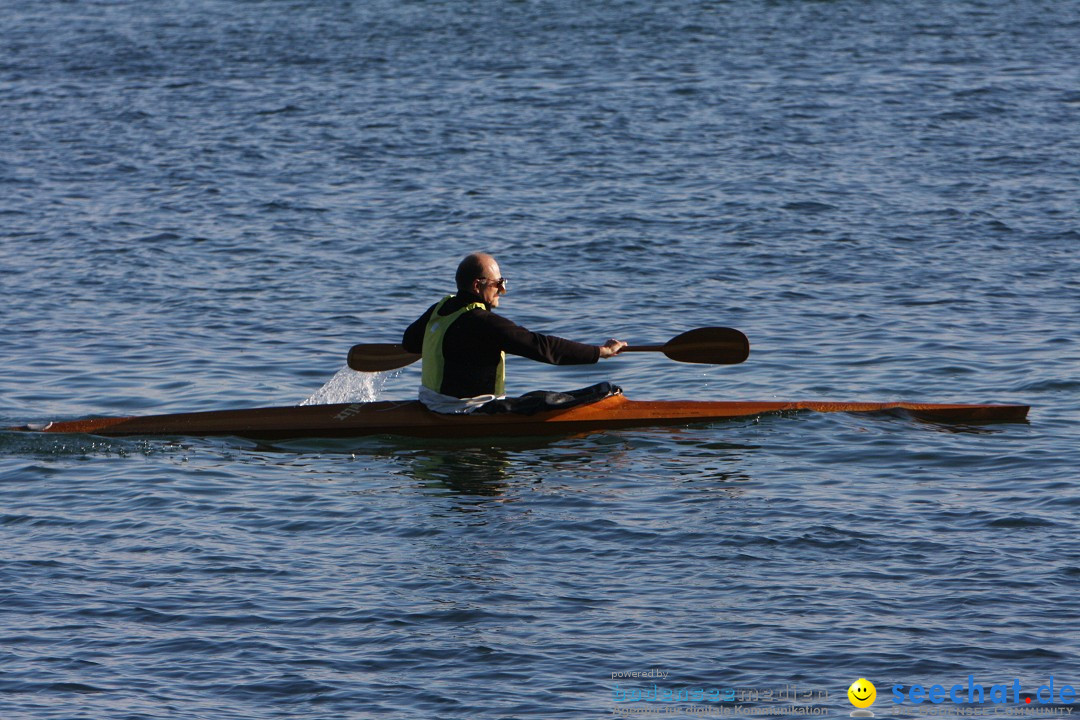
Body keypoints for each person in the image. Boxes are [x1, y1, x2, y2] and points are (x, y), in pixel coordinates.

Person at [402, 252, 627, 413]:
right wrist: (601, 351)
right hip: (468, 411)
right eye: (498, 283)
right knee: (557, 399)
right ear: (477, 286)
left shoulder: (440, 309)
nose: (503, 289)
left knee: (537, 397)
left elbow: (410, 343)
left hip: (430, 405)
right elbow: (542, 347)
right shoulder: (483, 323)